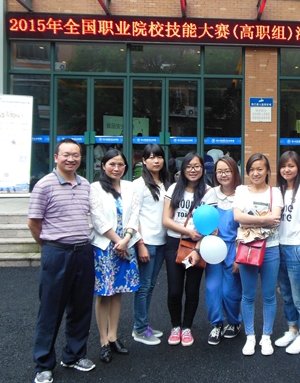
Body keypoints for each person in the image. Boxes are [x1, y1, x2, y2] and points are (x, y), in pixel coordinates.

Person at [28, 139, 96, 383]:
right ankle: (43, 364)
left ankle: (74, 355)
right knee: (50, 309)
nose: (71, 159)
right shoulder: (44, 185)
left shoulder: (85, 184)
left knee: (81, 307)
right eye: (66, 154)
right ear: (56, 157)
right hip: (57, 253)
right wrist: (49, 247)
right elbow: (34, 223)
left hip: (84, 252)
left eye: (76, 155)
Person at [90, 149, 141, 364]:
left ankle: (113, 337)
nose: (116, 168)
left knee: (118, 291)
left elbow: (135, 214)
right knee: (104, 293)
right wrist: (117, 241)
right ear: (103, 165)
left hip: (126, 246)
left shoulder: (130, 187)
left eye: (120, 164)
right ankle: (103, 341)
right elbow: (97, 218)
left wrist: (126, 239)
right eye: (112, 164)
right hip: (104, 246)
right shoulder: (95, 188)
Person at [163, 152, 217, 347]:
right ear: (183, 169)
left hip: (198, 245)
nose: (193, 170)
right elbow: (166, 220)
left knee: (192, 290)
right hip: (175, 243)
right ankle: (175, 326)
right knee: (174, 290)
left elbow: (210, 226)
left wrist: (198, 248)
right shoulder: (173, 188)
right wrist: (188, 231)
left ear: (202, 169)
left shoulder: (209, 192)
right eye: (189, 166)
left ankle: (187, 327)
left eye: (197, 166)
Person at [233, 153, 283, 356]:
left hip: (271, 248)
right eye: (252, 169)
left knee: (269, 295)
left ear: (268, 170)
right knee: (248, 295)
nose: (255, 173)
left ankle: (266, 336)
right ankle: (250, 336)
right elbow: (237, 217)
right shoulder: (241, 190)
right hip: (248, 247)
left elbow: (276, 218)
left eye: (260, 169)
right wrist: (264, 220)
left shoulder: (275, 192)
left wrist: (250, 220)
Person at [274, 151, 300, 355]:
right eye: (283, 166)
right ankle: (292, 329)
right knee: (286, 293)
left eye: (291, 166)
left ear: (298, 167)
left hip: (298, 247)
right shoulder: (278, 190)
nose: (287, 170)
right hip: (279, 246)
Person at [131, 144, 170, 346]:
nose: (156, 161)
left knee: (151, 285)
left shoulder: (166, 183)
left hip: (162, 242)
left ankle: (143, 324)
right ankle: (139, 329)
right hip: (147, 243)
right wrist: (140, 243)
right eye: (151, 157)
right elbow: (134, 215)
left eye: (159, 157)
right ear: (144, 161)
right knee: (144, 286)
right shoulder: (138, 185)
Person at [205, 156, 243, 346]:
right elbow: (202, 219)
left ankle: (235, 322)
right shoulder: (210, 194)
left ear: (235, 171)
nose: (223, 175)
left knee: (230, 291)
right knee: (212, 288)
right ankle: (217, 324)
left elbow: (246, 228)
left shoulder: (242, 194)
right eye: (219, 171)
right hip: (212, 248)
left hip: (233, 248)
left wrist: (239, 256)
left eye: (227, 170)